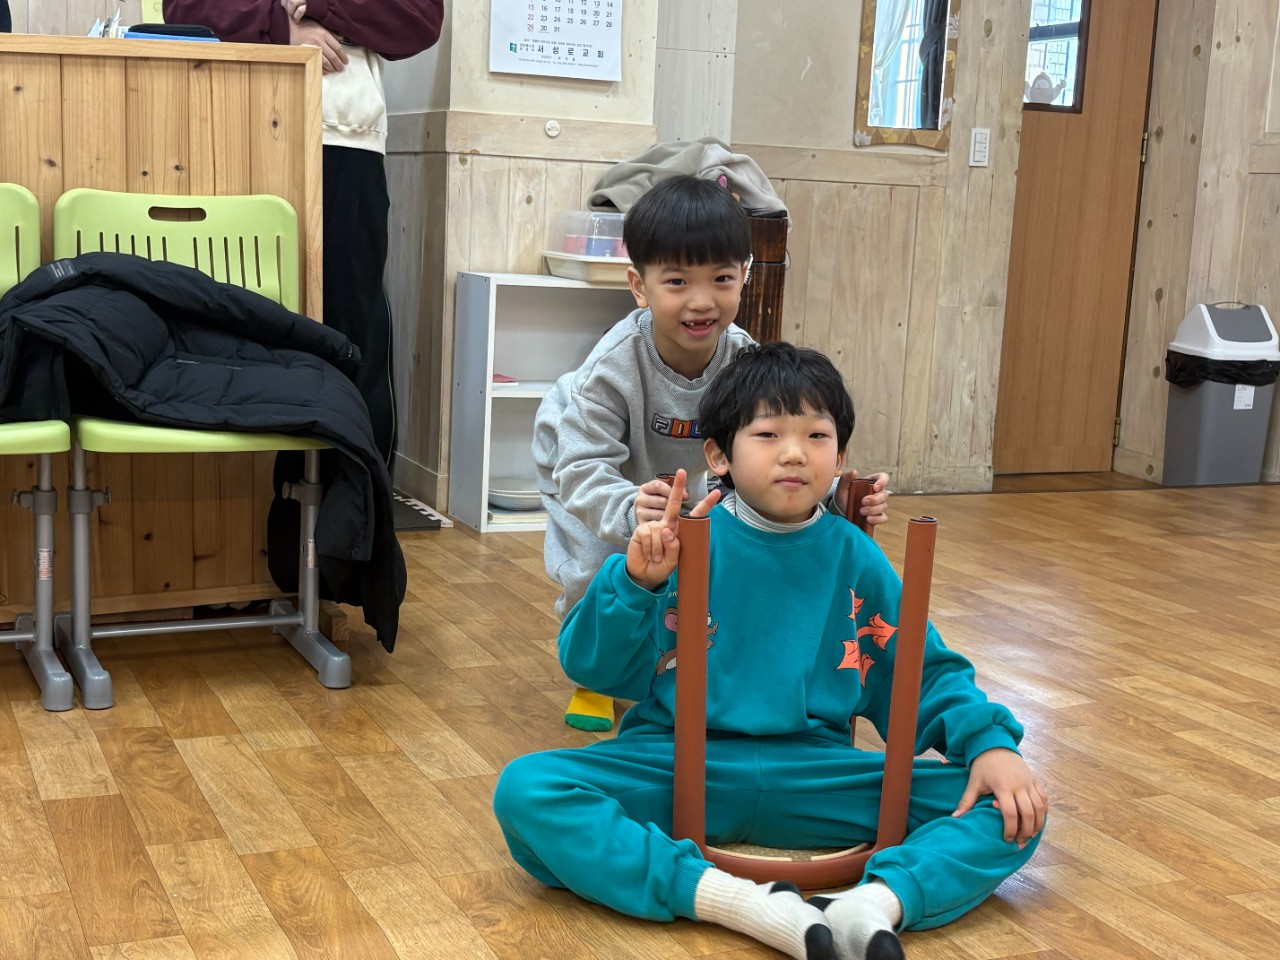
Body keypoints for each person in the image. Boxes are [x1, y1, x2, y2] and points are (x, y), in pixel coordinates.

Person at [498, 342, 1048, 960]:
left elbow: (922, 671)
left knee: (1014, 806)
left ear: (840, 456)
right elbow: (591, 666)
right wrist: (635, 584)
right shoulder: (682, 543)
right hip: (678, 763)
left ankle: (873, 905)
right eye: (767, 434)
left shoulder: (854, 554)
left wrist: (991, 744)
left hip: (814, 773)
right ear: (719, 455)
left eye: (817, 435)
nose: (794, 453)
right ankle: (733, 901)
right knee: (528, 789)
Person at [533, 175, 889, 732]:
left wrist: (830, 500)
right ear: (639, 286)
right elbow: (581, 468)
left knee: (698, 553)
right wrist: (627, 510)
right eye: (677, 281)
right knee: (602, 561)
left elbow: (770, 453)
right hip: (587, 457)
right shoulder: (612, 367)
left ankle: (685, 650)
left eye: (721, 279)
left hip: (685, 468)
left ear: (744, 276)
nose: (702, 301)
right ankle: (595, 673)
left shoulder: (743, 360)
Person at [162, 0, 444, 467]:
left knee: (348, 324)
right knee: (231, 314)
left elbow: (419, 19)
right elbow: (185, 8)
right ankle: (262, 501)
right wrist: (280, 27)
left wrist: (323, 7)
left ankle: (351, 500)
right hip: (233, 126)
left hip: (344, 134)